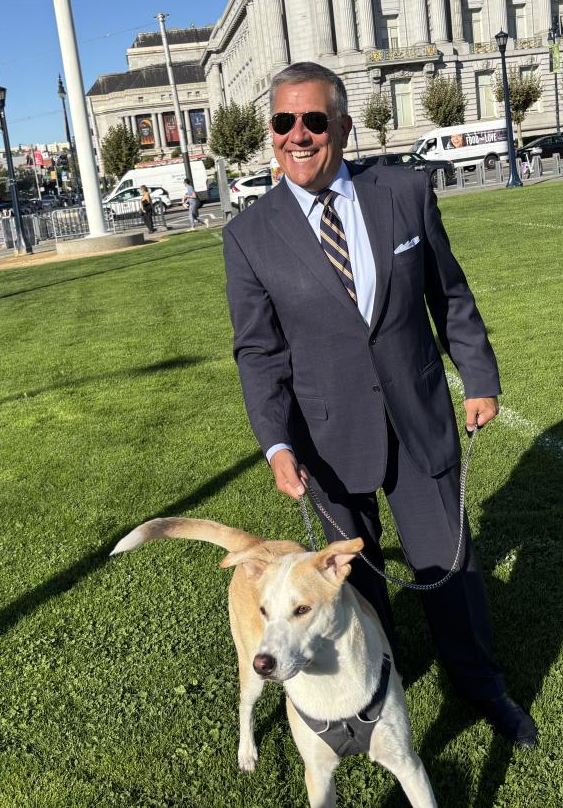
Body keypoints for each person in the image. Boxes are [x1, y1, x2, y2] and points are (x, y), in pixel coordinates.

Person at [222, 62, 538, 749]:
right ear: (270, 133)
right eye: (283, 123)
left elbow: (447, 294)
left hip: (419, 417)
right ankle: (377, 698)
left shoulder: (402, 192)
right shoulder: (249, 236)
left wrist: (477, 375)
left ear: (342, 126)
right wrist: (277, 444)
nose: (297, 136)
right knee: (356, 588)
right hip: (327, 442)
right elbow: (258, 353)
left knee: (450, 568)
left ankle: (482, 687)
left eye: (313, 121)